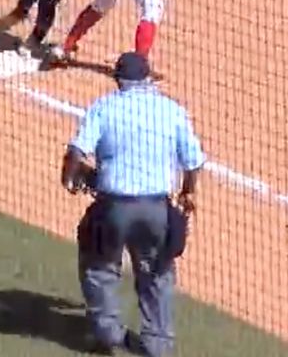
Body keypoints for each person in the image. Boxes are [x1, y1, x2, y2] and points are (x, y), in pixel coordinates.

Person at [61, 51, 206, 356]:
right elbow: (192, 161)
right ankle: (158, 344)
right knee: (157, 273)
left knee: (99, 265)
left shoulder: (104, 107)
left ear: (118, 80)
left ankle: (108, 332)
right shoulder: (171, 110)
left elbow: (76, 152)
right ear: (148, 78)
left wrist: (70, 177)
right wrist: (187, 192)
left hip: (112, 209)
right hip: (157, 211)